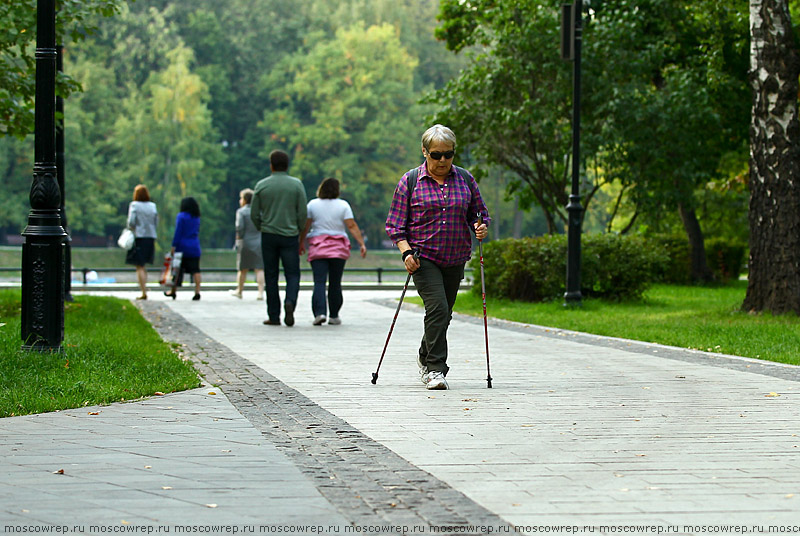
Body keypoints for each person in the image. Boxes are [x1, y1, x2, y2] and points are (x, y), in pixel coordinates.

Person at [385, 124, 490, 390]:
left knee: (445, 314)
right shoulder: (410, 181)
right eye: (436, 155)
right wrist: (406, 251)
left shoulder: (465, 179)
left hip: (455, 257)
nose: (442, 160)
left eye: (448, 154)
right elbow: (395, 225)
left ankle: (424, 354)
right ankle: (435, 369)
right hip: (424, 257)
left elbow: (478, 213)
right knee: (438, 309)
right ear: (424, 152)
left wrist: (480, 226)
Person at [299, 178, 367, 326]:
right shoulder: (343, 205)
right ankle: (334, 315)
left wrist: (301, 243)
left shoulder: (312, 204)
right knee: (335, 283)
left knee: (319, 282)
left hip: (318, 248)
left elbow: (306, 226)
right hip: (338, 249)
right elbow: (351, 226)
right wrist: (361, 243)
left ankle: (319, 313)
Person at [251, 150, 308, 326]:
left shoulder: (262, 185)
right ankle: (290, 301)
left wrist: (262, 226)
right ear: (287, 165)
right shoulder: (296, 185)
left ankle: (274, 315)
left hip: (268, 235)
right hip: (290, 235)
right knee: (292, 274)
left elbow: (254, 213)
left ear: (271, 165)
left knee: (271, 275)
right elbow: (302, 213)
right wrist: (299, 231)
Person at [164, 197, 202, 301]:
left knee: (177, 270)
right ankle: (197, 292)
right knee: (196, 270)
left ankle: (173, 291)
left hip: (182, 246)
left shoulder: (181, 216)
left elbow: (178, 232)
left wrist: (173, 246)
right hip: (194, 246)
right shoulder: (196, 217)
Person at [230, 188, 265, 300]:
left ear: (244, 200)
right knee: (259, 268)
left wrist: (238, 238)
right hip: (259, 241)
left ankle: (239, 291)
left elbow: (239, 227)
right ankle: (260, 292)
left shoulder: (241, 212)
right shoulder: (260, 211)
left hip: (245, 242)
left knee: (242, 268)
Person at [125, 184, 158, 300]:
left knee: (139, 265)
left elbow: (131, 222)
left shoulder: (134, 205)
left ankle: (143, 291)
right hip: (151, 236)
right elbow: (156, 221)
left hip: (139, 237)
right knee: (144, 265)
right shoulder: (153, 206)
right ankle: (145, 288)